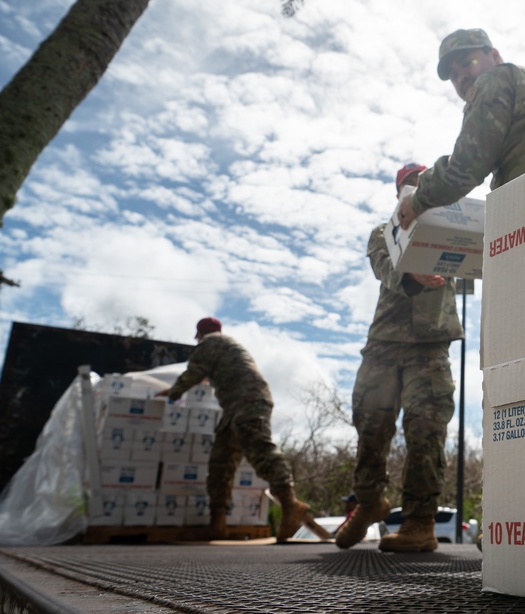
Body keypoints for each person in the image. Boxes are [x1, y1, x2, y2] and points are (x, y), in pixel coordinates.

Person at [335, 164, 464, 552]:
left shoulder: (452, 228)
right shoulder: (384, 232)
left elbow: (475, 263)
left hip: (429, 346)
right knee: (371, 429)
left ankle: (420, 523)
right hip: (384, 346)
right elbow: (384, 264)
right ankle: (370, 502)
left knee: (426, 430)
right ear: (399, 195)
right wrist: (413, 275)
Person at [396, 28, 525, 229]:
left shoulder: (494, 79)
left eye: (466, 63)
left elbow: (468, 165)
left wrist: (418, 200)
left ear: (495, 56)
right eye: (453, 75)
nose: (461, 77)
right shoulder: (519, 79)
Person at [157, 317, 326, 543]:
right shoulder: (227, 345)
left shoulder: (209, 344)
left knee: (260, 449)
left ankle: (290, 502)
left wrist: (172, 392)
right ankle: (217, 525)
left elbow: (193, 373)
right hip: (236, 406)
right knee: (220, 463)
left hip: (248, 401)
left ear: (199, 334)